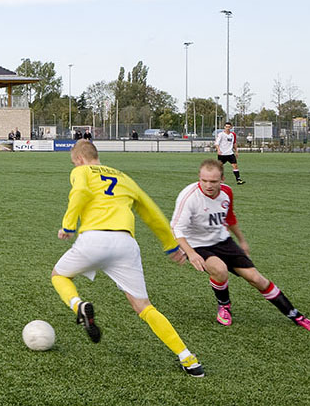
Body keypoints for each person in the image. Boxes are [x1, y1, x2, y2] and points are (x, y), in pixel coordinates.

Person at [51, 140, 204, 377]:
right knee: (144, 306)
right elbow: (151, 211)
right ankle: (188, 359)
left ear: (79, 159)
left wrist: (68, 226)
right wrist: (170, 245)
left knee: (58, 275)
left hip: (94, 239)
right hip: (125, 244)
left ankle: (78, 305)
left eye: (74, 162)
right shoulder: (124, 178)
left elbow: (80, 192)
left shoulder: (82, 171)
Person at [171, 160, 310, 331]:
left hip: (222, 240)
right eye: (204, 180)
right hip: (197, 245)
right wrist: (190, 253)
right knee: (220, 270)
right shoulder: (189, 196)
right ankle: (224, 305)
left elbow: (230, 217)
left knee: (257, 279)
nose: (208, 185)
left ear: (222, 179)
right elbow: (176, 228)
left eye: (213, 181)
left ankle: (296, 315)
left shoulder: (227, 192)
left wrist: (242, 241)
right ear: (199, 177)